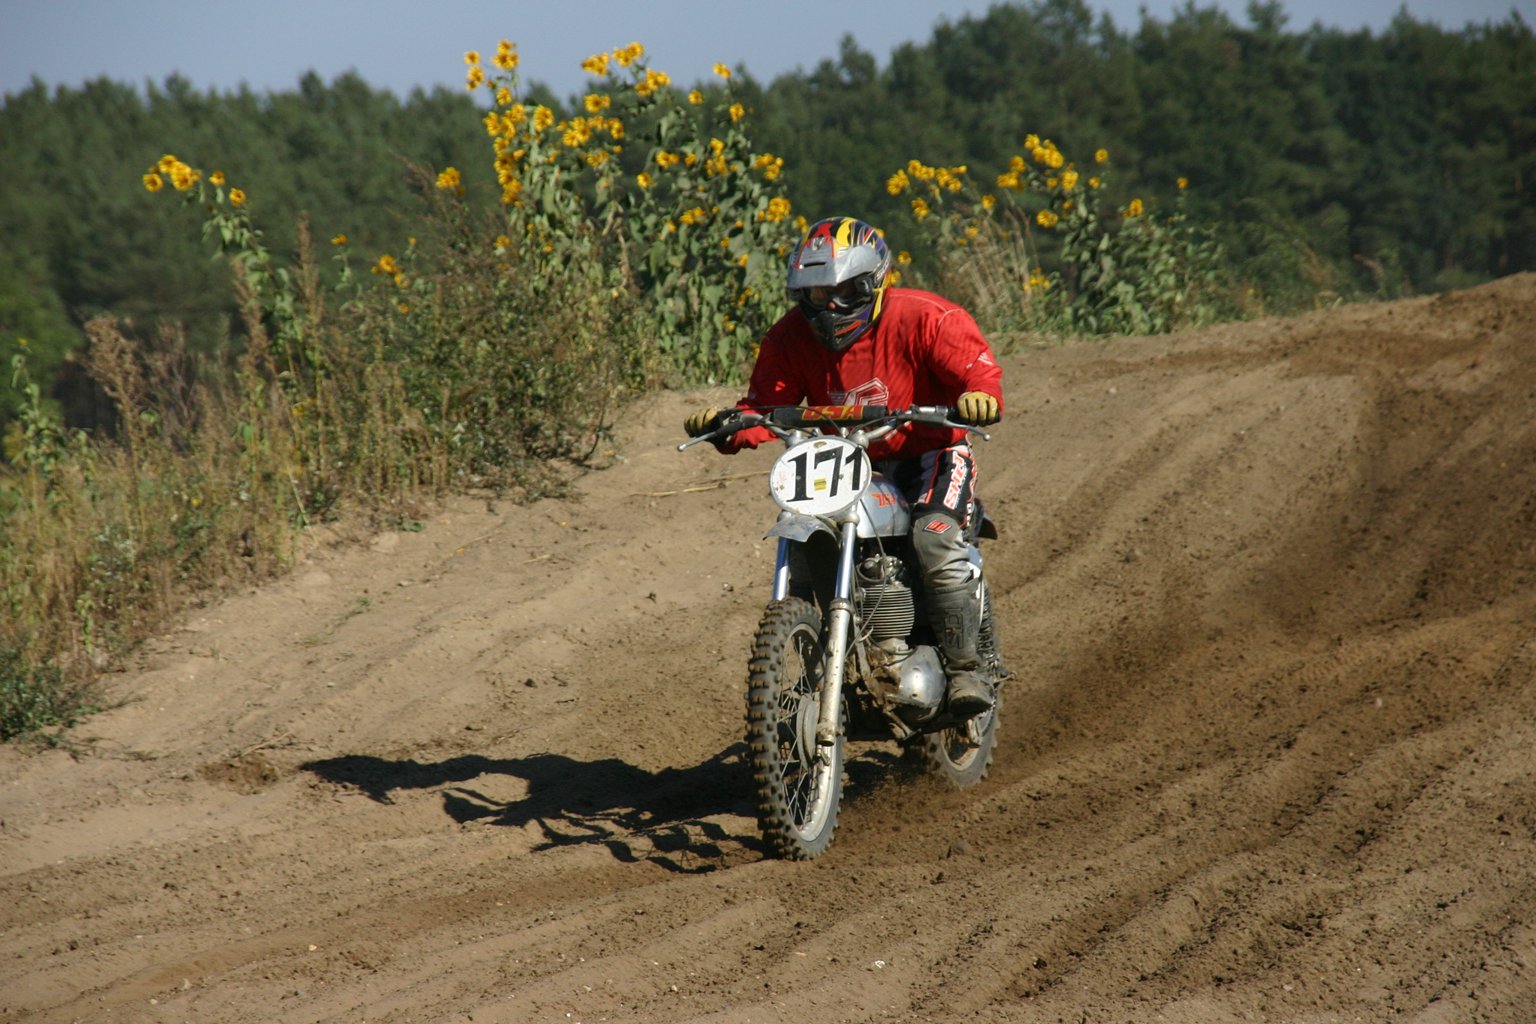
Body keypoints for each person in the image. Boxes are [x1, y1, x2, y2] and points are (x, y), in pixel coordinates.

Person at [685, 216, 1004, 718]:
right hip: (850, 461)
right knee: (811, 533)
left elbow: (978, 372)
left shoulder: (927, 317)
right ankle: (826, 650)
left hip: (931, 454)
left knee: (933, 539)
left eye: (845, 291)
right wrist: (726, 426)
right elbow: (764, 407)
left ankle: (967, 669)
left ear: (874, 283)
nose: (830, 306)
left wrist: (980, 397)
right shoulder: (789, 338)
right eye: (817, 294)